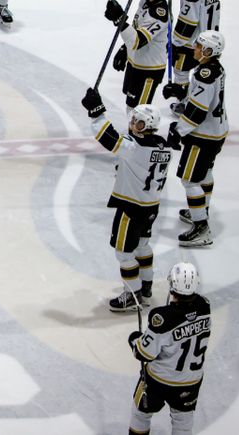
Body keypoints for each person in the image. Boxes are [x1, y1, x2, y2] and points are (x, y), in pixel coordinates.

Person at [80, 89, 171, 311]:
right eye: (133, 120)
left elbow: (107, 137)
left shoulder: (135, 148)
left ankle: (133, 295)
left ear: (147, 126)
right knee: (142, 245)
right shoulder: (164, 146)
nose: (133, 124)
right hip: (151, 206)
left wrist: (96, 111)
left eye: (138, 122)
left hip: (132, 207)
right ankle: (146, 287)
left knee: (124, 253)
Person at [127, 262, 211, 435]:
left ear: (172, 285)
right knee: (183, 421)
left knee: (141, 414)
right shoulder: (205, 306)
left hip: (159, 381)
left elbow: (144, 353)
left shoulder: (162, 318)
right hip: (191, 380)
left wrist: (134, 339)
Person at [168, 31, 227, 247]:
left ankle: (201, 227)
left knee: (190, 180)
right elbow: (204, 100)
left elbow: (197, 112)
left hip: (203, 136)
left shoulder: (204, 73)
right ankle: (202, 209)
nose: (195, 48)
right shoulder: (215, 69)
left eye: (199, 46)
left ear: (209, 51)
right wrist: (181, 93)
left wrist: (178, 130)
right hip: (218, 131)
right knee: (205, 173)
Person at [105, 0, 170, 112]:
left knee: (139, 112)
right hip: (136, 63)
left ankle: (137, 135)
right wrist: (124, 50)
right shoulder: (145, 2)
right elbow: (135, 30)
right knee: (130, 105)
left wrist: (120, 20)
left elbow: (138, 41)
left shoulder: (159, 13)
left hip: (149, 70)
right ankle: (132, 133)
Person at [165, 0, 222, 101]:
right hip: (210, 40)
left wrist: (175, 43)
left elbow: (187, 22)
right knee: (200, 73)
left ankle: (184, 104)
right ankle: (195, 100)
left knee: (180, 70)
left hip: (193, 43)